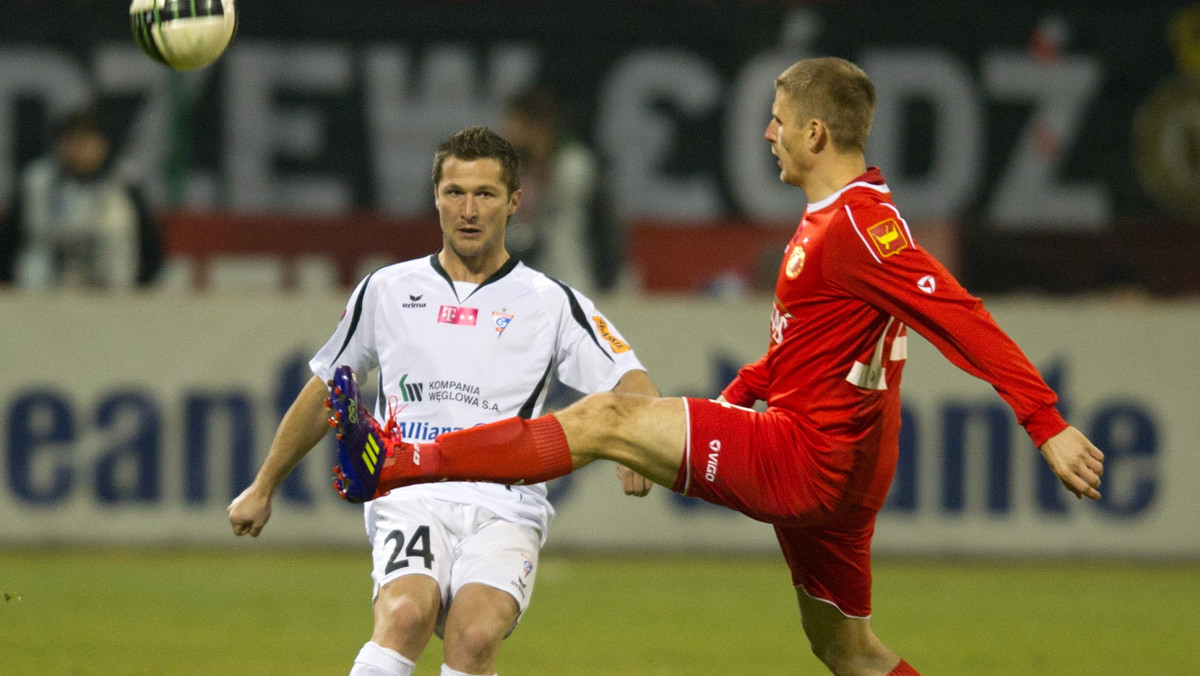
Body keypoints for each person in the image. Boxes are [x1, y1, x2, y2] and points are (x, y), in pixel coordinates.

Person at [330, 58, 1106, 676]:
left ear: (813, 133)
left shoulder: (862, 228)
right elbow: (794, 355)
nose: (766, 135)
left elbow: (960, 315)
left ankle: (402, 461)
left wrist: (1047, 424)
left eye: (775, 123)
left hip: (809, 457)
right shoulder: (836, 221)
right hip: (844, 467)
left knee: (602, 418)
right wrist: (710, 410)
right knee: (848, 653)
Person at [227, 125, 656, 676]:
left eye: (486, 194)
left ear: (515, 202)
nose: (469, 209)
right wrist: (264, 487)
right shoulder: (386, 289)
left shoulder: (550, 302)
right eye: (455, 193)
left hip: (507, 501)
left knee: (474, 638)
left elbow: (632, 380)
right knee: (405, 615)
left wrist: (635, 446)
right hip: (410, 488)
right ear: (436, 198)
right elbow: (325, 388)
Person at [0, 108, 163, 289]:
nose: (79, 151)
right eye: (71, 141)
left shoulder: (124, 185)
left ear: (103, 145)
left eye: (86, 142)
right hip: (42, 295)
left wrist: (137, 288)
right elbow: (8, 241)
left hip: (113, 296)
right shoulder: (37, 182)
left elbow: (150, 247)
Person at [498, 85, 623, 297]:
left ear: (536, 126)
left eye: (513, 123)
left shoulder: (575, 166)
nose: (505, 131)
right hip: (523, 289)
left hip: (574, 283)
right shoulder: (507, 172)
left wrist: (608, 283)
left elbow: (605, 229)